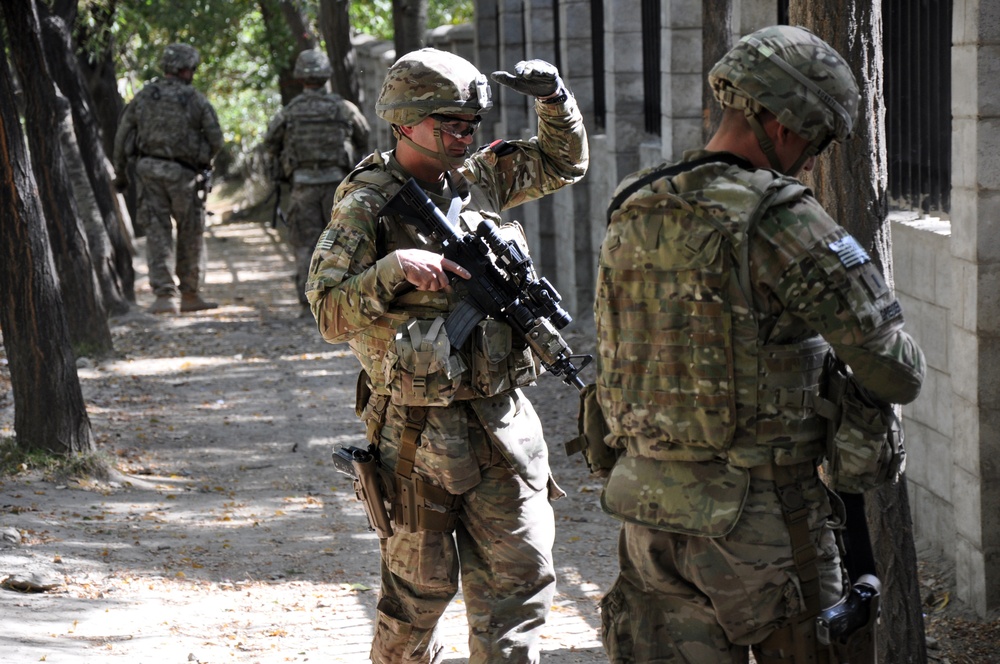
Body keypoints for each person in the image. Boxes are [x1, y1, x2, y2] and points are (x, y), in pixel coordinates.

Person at [594, 25, 925, 663]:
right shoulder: (779, 216)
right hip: (763, 527)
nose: (812, 154)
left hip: (648, 514)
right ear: (783, 120)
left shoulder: (632, 202)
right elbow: (894, 371)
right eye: (818, 135)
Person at [306, 48, 588, 663]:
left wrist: (553, 99)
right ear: (405, 122)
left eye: (471, 126)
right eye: (449, 124)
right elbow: (326, 310)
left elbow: (565, 163)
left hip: (502, 425)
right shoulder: (368, 202)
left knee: (520, 587)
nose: (464, 137)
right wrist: (392, 269)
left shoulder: (479, 178)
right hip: (415, 437)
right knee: (417, 601)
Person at [113, 43, 223, 315]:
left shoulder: (143, 97)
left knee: (157, 231)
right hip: (185, 174)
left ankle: (164, 296)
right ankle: (189, 293)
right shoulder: (195, 99)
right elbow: (216, 138)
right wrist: (204, 159)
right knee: (190, 231)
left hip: (149, 172)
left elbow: (121, 136)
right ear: (186, 69)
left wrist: (121, 173)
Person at [263, 49, 369, 306]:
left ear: (300, 78)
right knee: (343, 244)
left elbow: (270, 144)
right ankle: (343, 302)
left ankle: (307, 303)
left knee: (305, 244)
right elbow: (363, 137)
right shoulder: (343, 108)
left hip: (302, 187)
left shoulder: (289, 112)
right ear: (326, 75)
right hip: (338, 188)